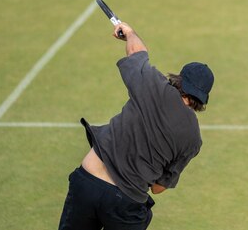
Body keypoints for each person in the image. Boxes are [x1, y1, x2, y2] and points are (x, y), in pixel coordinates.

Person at [58, 21, 214, 230]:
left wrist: (129, 33)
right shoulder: (193, 138)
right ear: (202, 99)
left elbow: (136, 51)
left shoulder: (153, 84)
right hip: (125, 203)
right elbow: (158, 188)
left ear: (180, 80)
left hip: (87, 180)